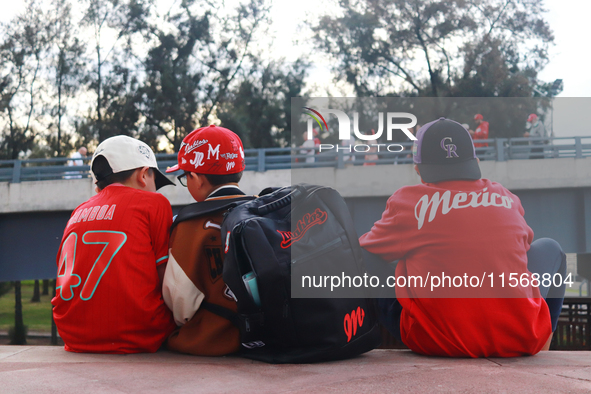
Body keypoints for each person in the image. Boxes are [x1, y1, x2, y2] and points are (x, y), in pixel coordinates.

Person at [359, 118, 566, 357]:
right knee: (551, 248)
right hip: (522, 337)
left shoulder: (408, 201)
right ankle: (544, 346)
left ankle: (353, 337)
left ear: (418, 170)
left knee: (362, 259)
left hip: (438, 341)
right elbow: (524, 248)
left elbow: (365, 250)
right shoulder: (507, 198)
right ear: (476, 162)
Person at [52, 136, 176, 353]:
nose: (158, 190)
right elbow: (167, 278)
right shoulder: (155, 203)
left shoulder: (78, 211)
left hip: (73, 334)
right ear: (144, 175)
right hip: (139, 332)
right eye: (157, 181)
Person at [162, 125, 251, 356]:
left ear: (197, 178)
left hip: (214, 342)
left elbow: (180, 304)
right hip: (269, 336)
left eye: (185, 177)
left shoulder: (188, 225)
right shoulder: (262, 210)